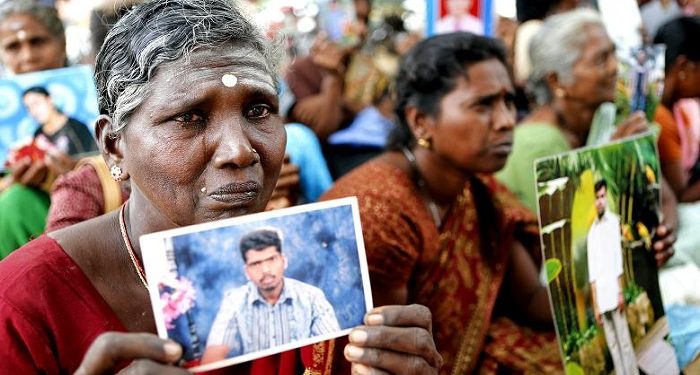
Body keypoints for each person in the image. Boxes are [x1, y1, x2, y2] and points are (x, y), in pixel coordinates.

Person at [0, 1, 443, 374]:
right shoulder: (23, 302)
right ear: (114, 147)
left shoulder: (318, 275)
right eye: (190, 116)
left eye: (259, 110)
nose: (240, 151)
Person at [323, 32, 563, 374]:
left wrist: (614, 279)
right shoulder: (378, 210)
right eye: (483, 105)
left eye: (509, 101)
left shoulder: (475, 189)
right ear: (421, 120)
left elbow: (528, 300)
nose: (507, 120)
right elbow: (380, 361)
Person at [497, 9, 676, 266]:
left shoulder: (605, 119)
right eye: (601, 59)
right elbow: (572, 250)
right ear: (557, 81)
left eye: (613, 53)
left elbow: (665, 198)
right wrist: (612, 163)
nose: (616, 66)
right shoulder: (537, 143)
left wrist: (662, 236)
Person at [0, 1, 79, 256]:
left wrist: (79, 175)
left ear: (62, 44)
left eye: (37, 42)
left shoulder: (98, 100)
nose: (28, 56)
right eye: (13, 47)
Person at [204, 229, 340, 362]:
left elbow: (334, 351)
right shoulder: (234, 300)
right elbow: (212, 359)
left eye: (271, 259)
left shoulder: (312, 297)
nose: (265, 270)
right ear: (246, 271)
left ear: (284, 260)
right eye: (256, 264)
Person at [587, 179, 639, 375]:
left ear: (606, 197)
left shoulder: (614, 222)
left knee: (625, 341)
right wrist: (596, 304)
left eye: (602, 196)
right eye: (596, 198)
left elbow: (617, 262)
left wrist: (619, 291)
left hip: (613, 291)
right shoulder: (591, 232)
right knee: (613, 345)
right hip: (601, 295)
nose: (599, 201)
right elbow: (592, 272)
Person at [22, 86, 97, 156]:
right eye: (28, 108)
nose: (33, 111)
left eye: (36, 104)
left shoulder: (76, 127)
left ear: (49, 100)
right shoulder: (38, 135)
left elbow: (92, 158)